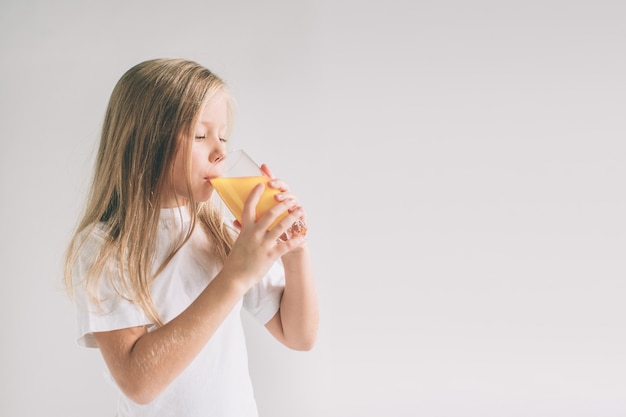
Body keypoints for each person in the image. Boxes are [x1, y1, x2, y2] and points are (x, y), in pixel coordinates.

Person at [63, 58, 319, 417]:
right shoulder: (105, 246)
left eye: (223, 136)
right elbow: (139, 384)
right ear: (147, 142)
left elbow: (299, 335)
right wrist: (235, 276)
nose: (220, 151)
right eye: (201, 135)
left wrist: (294, 252)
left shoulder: (222, 234)